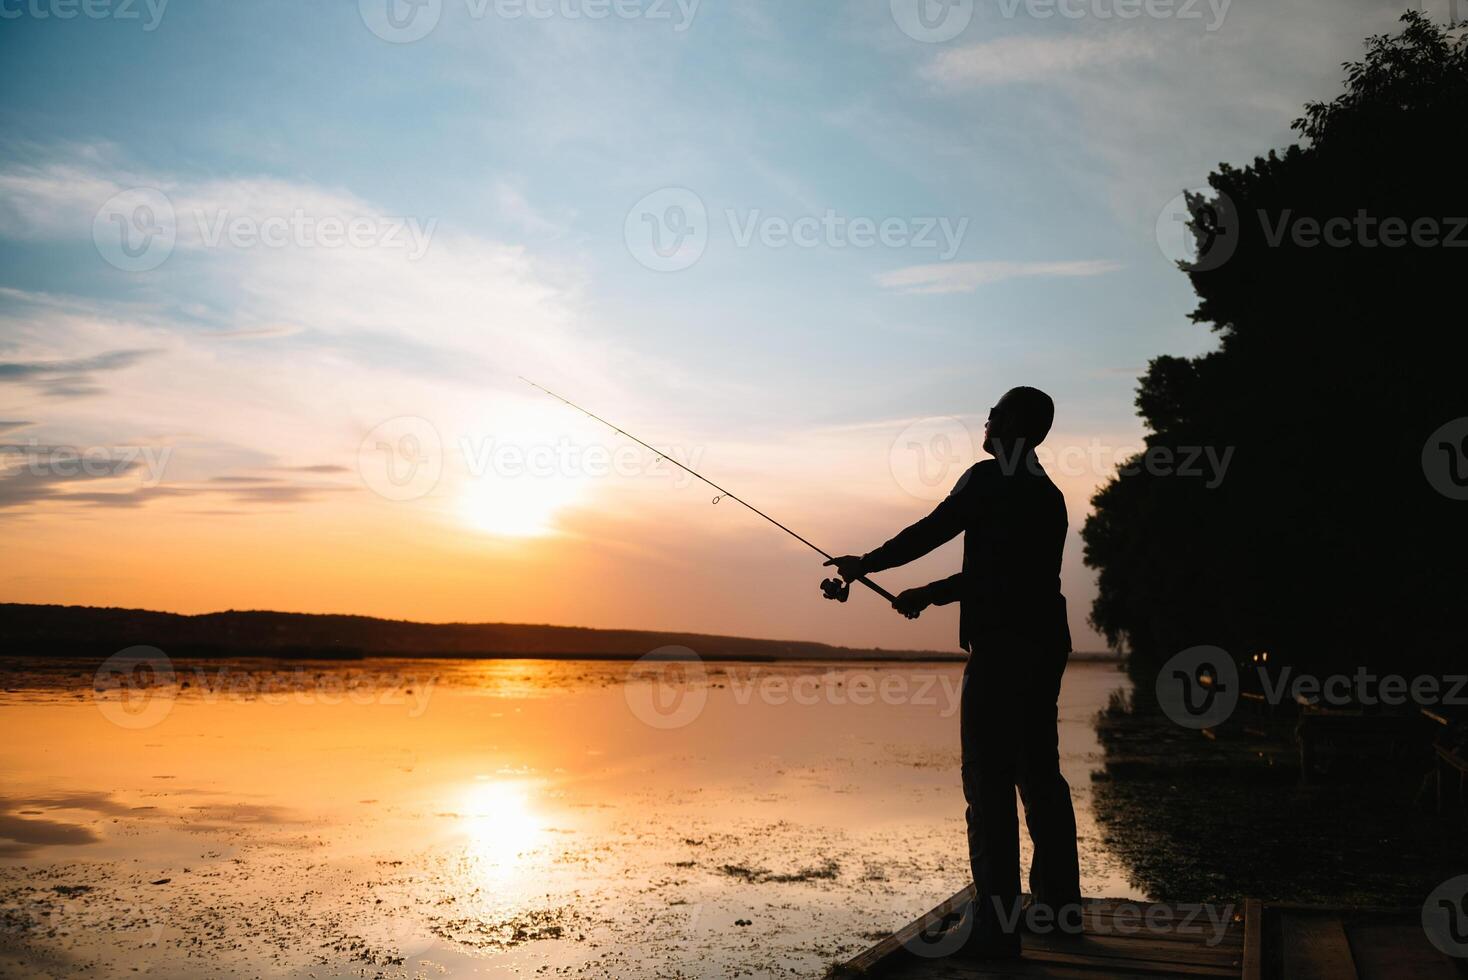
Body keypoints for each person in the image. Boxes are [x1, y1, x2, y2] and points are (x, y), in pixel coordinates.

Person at [825, 386, 1081, 960]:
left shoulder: (987, 479)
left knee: (987, 782)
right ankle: (1060, 913)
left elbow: (932, 531)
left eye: (996, 410)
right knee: (1040, 774)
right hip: (1047, 646)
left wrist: (866, 564)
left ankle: (995, 932)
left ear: (1015, 425)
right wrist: (930, 594)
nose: (985, 418)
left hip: (1002, 649)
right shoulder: (1050, 495)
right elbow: (1010, 574)